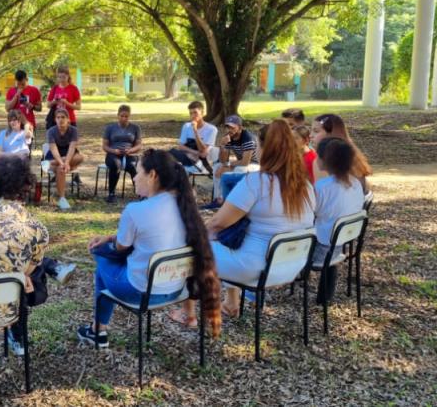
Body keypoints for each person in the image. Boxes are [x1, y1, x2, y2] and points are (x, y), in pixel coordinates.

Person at [77, 149, 222, 347]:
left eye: (138, 172)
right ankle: (97, 329)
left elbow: (120, 247)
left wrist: (102, 245)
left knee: (102, 259)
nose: (134, 178)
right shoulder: (186, 205)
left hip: (141, 292)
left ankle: (98, 330)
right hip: (177, 289)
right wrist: (110, 237)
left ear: (152, 175)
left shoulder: (135, 210)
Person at [0, 155, 76, 355]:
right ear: (25, 186)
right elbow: (26, 271)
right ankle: (19, 336)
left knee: (21, 274)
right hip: (8, 309)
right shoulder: (36, 228)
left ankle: (52, 268)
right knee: (27, 276)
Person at [206, 120, 315, 317]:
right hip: (294, 265)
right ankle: (231, 301)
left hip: (257, 269)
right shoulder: (306, 186)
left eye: (258, 146)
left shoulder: (256, 182)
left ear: (265, 149)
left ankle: (185, 311)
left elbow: (218, 222)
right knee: (234, 238)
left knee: (197, 247)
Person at [312, 137, 365, 304]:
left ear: (324, 160)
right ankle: (325, 297)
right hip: (341, 245)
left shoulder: (323, 187)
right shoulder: (356, 184)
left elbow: (309, 214)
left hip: (319, 251)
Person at [201, 115, 259, 210]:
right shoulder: (228, 138)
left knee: (239, 169)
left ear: (240, 127)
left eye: (232, 127)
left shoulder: (247, 138)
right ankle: (218, 199)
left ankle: (235, 203)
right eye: (227, 126)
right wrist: (223, 145)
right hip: (242, 163)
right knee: (217, 167)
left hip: (255, 165)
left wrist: (229, 165)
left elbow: (245, 162)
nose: (229, 129)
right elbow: (223, 160)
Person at [311, 113, 372, 191]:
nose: (310, 135)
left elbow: (322, 195)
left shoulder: (321, 161)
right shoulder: (353, 156)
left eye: (316, 131)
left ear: (331, 133)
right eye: (311, 131)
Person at [101, 104, 142, 203]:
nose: (124, 118)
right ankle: (111, 194)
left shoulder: (135, 128)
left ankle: (141, 193)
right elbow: (104, 146)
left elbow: (139, 145)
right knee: (116, 165)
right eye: (122, 116)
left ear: (129, 116)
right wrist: (113, 151)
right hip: (113, 154)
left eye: (126, 116)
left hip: (129, 154)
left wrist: (131, 150)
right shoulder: (110, 128)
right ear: (118, 115)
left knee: (134, 167)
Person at [45, 108, 84, 210]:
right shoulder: (51, 131)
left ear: (68, 119)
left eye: (63, 117)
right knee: (60, 169)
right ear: (55, 119)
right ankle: (62, 198)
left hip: (69, 155)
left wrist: (66, 162)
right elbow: (53, 149)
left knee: (80, 157)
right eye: (58, 117)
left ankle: (50, 163)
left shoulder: (73, 130)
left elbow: (72, 148)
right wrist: (61, 162)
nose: (60, 120)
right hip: (55, 155)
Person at [170, 101, 218, 172]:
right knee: (168, 154)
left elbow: (203, 152)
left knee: (171, 154)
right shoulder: (186, 126)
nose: (193, 116)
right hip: (185, 157)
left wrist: (195, 131)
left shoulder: (212, 129)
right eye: (191, 113)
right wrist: (194, 153)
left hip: (199, 163)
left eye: (195, 113)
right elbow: (181, 146)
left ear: (202, 113)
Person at [45, 65, 81, 130]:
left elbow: (79, 107)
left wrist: (67, 103)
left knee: (71, 139)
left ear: (68, 76)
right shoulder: (55, 88)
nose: (61, 79)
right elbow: (48, 105)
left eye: (64, 77)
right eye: (59, 77)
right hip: (56, 121)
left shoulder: (73, 88)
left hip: (70, 120)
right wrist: (54, 102)